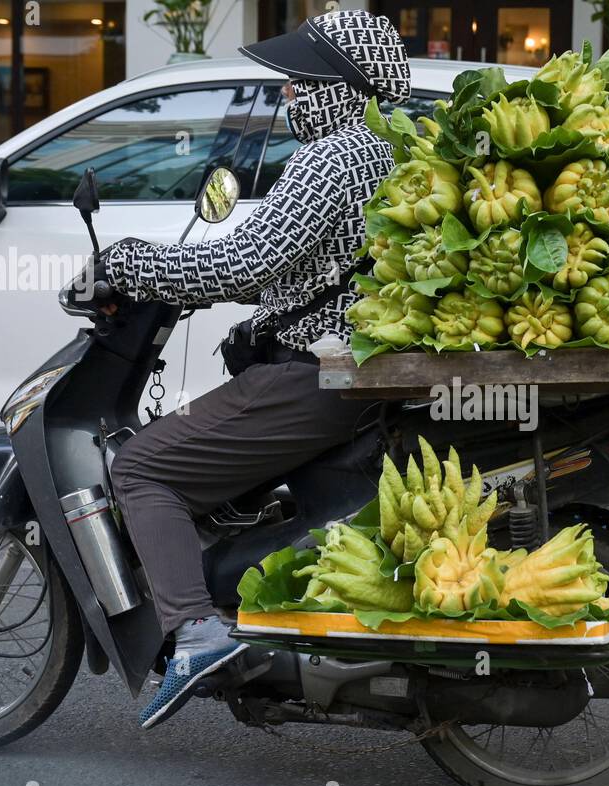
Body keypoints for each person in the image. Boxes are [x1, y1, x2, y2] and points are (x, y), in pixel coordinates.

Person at [98, 9, 410, 729]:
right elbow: (304, 264)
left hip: (313, 375)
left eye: (301, 83)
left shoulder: (334, 157)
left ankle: (197, 633)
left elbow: (247, 257)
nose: (290, 96)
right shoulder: (379, 149)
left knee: (143, 469)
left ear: (339, 85)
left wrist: (132, 260)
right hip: (337, 369)